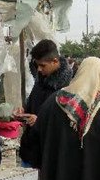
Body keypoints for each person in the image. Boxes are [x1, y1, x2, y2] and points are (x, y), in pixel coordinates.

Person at [15, 39, 73, 168]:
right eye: (37, 66)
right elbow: (32, 104)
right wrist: (22, 111)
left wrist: (40, 121)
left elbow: (68, 122)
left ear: (55, 62)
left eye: (43, 65)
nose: (39, 70)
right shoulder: (41, 80)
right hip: (31, 149)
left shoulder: (69, 87)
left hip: (51, 155)